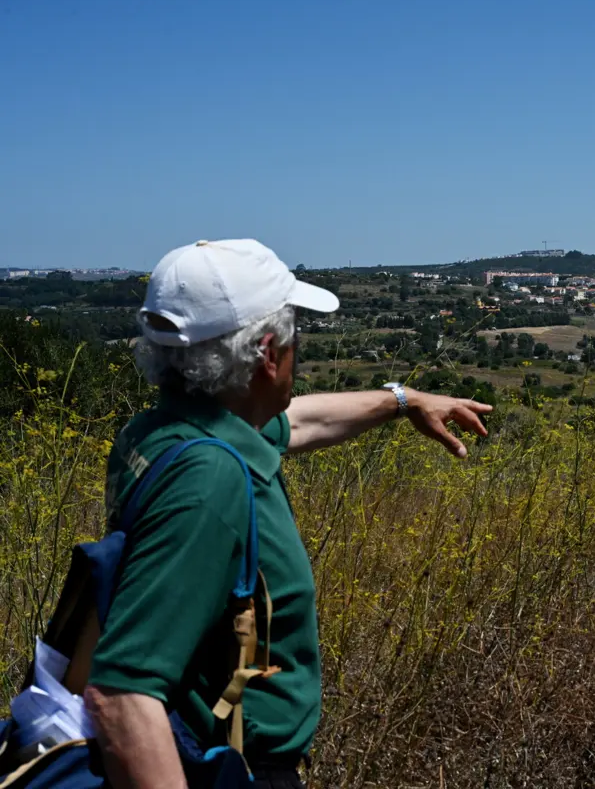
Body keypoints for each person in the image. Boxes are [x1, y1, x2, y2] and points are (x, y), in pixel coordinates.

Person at [83, 239, 491, 789]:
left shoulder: (168, 430)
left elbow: (300, 422)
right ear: (268, 355)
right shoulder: (209, 478)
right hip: (226, 770)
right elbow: (122, 695)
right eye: (298, 338)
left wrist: (404, 399)